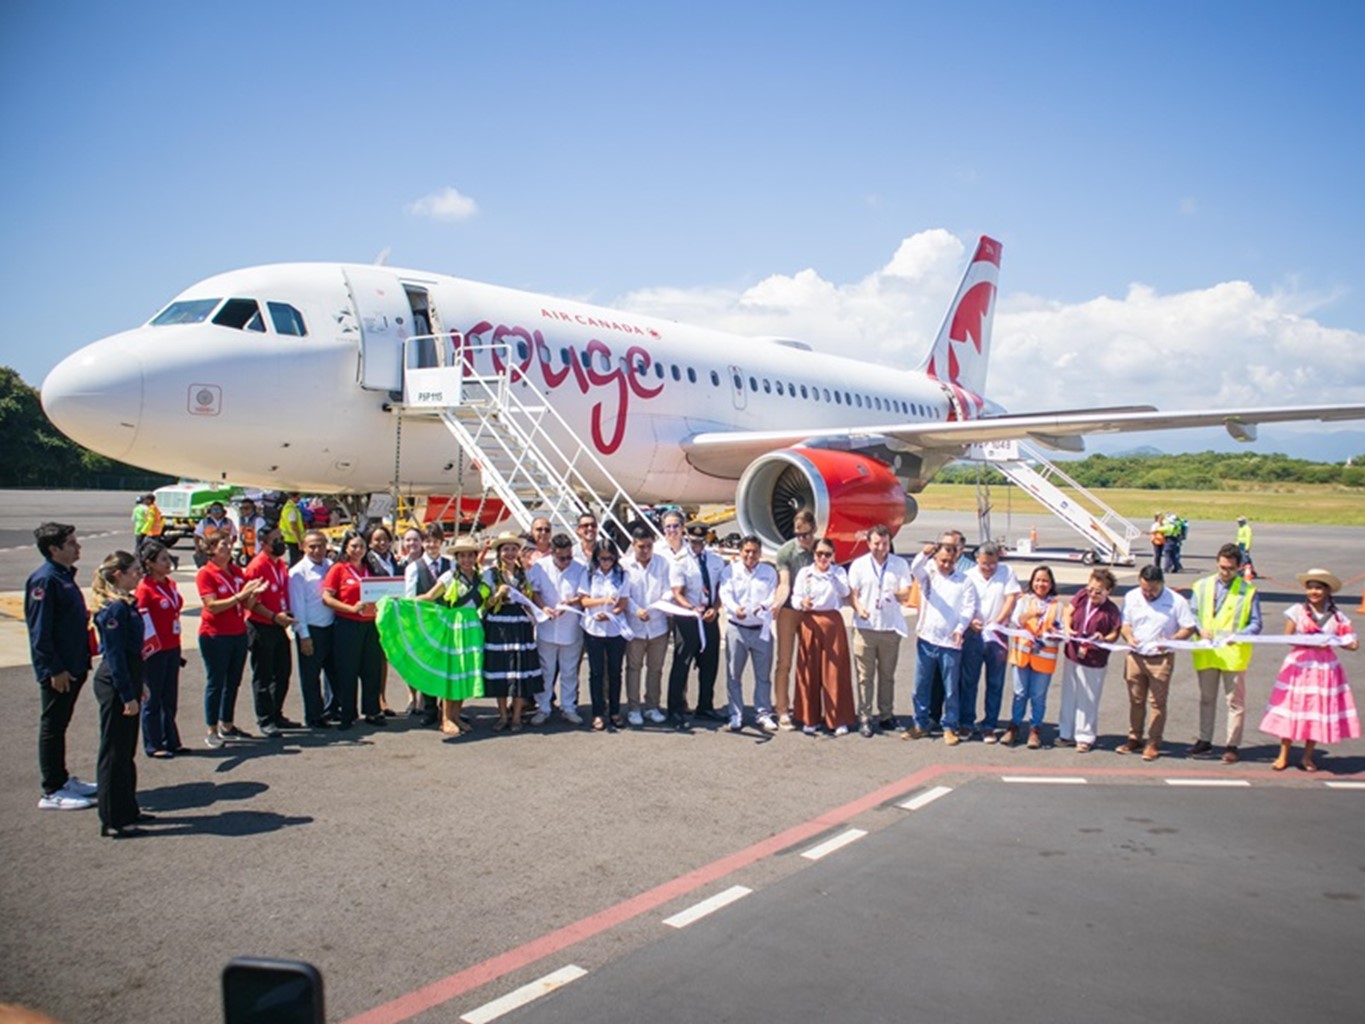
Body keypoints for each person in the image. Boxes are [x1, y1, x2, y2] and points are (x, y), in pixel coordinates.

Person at [25, 522, 97, 810]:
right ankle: (52, 789)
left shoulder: (63, 575)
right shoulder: (45, 580)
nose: (78, 547)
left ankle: (62, 778)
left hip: (74, 662)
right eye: (71, 543)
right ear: (54, 549)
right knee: (52, 726)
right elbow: (40, 632)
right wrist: (53, 669)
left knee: (61, 723)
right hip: (61, 669)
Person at [1261, 569, 1359, 772]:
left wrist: (1345, 642)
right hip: (1300, 664)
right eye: (1310, 587)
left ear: (1327, 590)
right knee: (1292, 707)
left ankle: (1307, 756)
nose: (1314, 591)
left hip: (1324, 668)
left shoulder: (1336, 616)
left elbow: (1351, 642)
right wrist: (1308, 641)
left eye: (1318, 587)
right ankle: (1283, 754)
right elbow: (1287, 637)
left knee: (1316, 710)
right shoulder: (1296, 610)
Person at [1187, 543, 1262, 764]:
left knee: (1235, 702)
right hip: (1207, 651)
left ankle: (1232, 744)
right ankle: (1204, 739)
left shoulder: (1248, 591)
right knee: (1206, 699)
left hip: (1232, 653)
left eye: (1230, 568)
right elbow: (1191, 613)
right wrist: (1200, 629)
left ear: (1239, 567)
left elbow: (1256, 624)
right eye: (1221, 567)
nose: (1225, 572)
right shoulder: (1201, 586)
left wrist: (1236, 635)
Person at [90, 551, 147, 838]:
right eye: (134, 570)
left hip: (129, 677)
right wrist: (127, 695)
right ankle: (113, 818)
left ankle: (128, 807)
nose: (139, 574)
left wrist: (141, 685)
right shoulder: (114, 609)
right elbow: (114, 656)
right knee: (113, 753)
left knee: (126, 751)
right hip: (115, 682)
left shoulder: (127, 604)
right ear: (118, 575)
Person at [407, 536, 488, 734]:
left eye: (470, 555)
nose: (467, 560)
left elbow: (488, 600)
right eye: (462, 556)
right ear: (457, 558)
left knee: (464, 673)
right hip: (454, 628)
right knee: (452, 673)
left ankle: (456, 715)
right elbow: (430, 596)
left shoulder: (481, 577)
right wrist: (403, 603)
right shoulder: (449, 576)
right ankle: (445, 718)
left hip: (472, 628)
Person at [1118, 564, 1196, 762]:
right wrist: (1128, 637)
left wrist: (1171, 639)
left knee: (1157, 702)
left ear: (1162, 584)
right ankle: (1134, 737)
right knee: (1135, 699)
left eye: (1152, 590)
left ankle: (1153, 742)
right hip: (1136, 655)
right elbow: (1125, 624)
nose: (1148, 594)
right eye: (1144, 589)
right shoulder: (1132, 597)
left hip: (1161, 658)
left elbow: (1188, 627)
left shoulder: (1176, 601)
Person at [905, 539, 978, 745]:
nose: (946, 565)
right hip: (927, 639)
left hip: (950, 643)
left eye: (950, 561)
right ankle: (920, 723)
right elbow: (915, 568)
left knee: (951, 688)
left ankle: (950, 726)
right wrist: (924, 553)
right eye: (942, 560)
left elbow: (967, 609)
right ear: (936, 559)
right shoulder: (929, 575)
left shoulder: (964, 581)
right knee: (920, 685)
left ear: (956, 560)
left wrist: (959, 629)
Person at [198, 533, 266, 747]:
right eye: (223, 545)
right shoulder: (206, 574)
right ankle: (211, 728)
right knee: (216, 682)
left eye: (229, 544)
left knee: (232, 682)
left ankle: (227, 724)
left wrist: (254, 594)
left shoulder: (236, 572)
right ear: (211, 549)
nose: (228, 548)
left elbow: (247, 603)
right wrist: (240, 595)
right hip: (215, 634)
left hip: (237, 632)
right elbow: (212, 605)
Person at [847, 525, 914, 737]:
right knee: (864, 676)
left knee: (887, 675)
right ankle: (865, 717)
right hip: (865, 627)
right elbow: (852, 594)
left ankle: (886, 715)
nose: (880, 548)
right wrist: (859, 609)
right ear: (869, 543)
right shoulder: (859, 565)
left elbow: (907, 591)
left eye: (884, 543)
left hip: (889, 627)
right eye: (876, 543)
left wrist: (896, 593)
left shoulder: (899, 564)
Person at [792, 538, 855, 735]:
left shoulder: (838, 572)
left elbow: (845, 592)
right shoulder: (805, 573)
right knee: (809, 670)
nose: (823, 558)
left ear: (833, 556)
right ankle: (809, 717)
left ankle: (837, 718)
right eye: (819, 554)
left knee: (835, 671)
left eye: (827, 555)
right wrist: (802, 603)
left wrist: (831, 575)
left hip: (832, 622)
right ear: (814, 554)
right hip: (810, 621)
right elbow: (794, 597)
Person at [482, 534, 545, 731]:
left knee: (519, 670)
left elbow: (530, 598)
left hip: (520, 623)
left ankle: (517, 716)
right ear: (499, 552)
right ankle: (502, 715)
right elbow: (485, 604)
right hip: (499, 624)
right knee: (500, 670)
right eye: (505, 549)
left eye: (513, 549)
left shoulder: (524, 574)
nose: (509, 553)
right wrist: (498, 595)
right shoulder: (490, 574)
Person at [323, 530, 385, 729]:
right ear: (346, 548)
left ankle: (373, 711)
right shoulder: (338, 569)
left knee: (371, 669)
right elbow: (327, 598)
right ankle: (347, 713)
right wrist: (350, 608)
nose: (358, 550)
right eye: (354, 546)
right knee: (347, 670)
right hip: (347, 624)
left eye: (362, 546)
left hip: (370, 625)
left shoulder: (371, 568)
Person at [1056, 568, 1122, 753]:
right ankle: (1065, 732)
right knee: (1070, 693)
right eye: (1090, 588)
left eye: (1098, 591)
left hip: (1094, 657)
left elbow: (1115, 633)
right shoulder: (1082, 596)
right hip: (1073, 652)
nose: (1092, 593)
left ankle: (1084, 736)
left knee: (1088, 697)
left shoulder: (1111, 610)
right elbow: (1068, 612)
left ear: (1108, 591)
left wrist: (1104, 638)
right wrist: (1068, 628)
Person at [719, 534, 780, 731]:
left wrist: (764, 605)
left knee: (763, 675)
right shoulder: (730, 571)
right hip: (737, 628)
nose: (750, 555)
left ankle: (763, 712)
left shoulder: (768, 571)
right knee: (733, 674)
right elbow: (725, 593)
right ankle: (735, 714)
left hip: (761, 629)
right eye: (747, 551)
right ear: (740, 552)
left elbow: (773, 594)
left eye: (754, 552)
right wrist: (735, 608)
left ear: (760, 553)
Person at [962, 542, 1021, 743]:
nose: (989, 567)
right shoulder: (969, 575)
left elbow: (1011, 598)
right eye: (985, 563)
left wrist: (998, 621)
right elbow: (963, 603)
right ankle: (967, 722)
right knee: (969, 680)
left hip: (998, 635)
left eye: (993, 563)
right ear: (977, 559)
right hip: (974, 634)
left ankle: (989, 725)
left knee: (995, 682)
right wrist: (970, 621)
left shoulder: (1006, 572)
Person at [666, 522, 724, 725]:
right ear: (687, 537)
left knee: (710, 663)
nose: (697, 545)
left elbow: (720, 590)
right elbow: (677, 593)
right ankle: (675, 708)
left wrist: (715, 609)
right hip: (687, 618)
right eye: (693, 541)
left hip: (709, 617)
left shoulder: (716, 560)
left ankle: (705, 706)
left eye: (701, 541)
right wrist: (692, 608)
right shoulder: (680, 561)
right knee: (682, 662)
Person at [244, 526, 298, 736]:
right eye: (275, 540)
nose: (281, 543)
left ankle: (277, 713)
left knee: (282, 672)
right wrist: (275, 617)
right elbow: (251, 603)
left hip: (278, 625)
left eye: (281, 538)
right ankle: (265, 719)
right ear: (263, 544)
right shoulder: (257, 567)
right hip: (261, 626)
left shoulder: (280, 565)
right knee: (263, 675)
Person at [528, 533, 586, 726]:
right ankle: (543, 707)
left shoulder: (579, 567)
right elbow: (534, 591)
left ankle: (568, 707)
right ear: (552, 553)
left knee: (569, 671)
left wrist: (571, 601)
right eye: (562, 558)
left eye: (569, 556)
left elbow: (584, 593)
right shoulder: (540, 566)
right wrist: (543, 607)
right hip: (547, 626)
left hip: (570, 626)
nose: (566, 561)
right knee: (546, 670)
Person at [1002, 566, 1063, 749]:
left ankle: (1035, 728)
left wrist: (1055, 633)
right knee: (1019, 693)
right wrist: (1030, 614)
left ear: (1051, 583)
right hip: (1022, 655)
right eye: (1037, 580)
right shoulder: (1024, 600)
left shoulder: (1057, 606)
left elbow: (1062, 630)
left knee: (1038, 695)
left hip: (1043, 657)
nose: (1041, 584)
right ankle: (1014, 725)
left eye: (1045, 581)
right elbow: (1014, 621)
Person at [135, 540, 185, 758]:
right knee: (153, 698)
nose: (168, 563)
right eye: (163, 559)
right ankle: (153, 743)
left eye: (168, 558)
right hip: (155, 650)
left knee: (169, 697)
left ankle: (171, 739)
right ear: (150, 563)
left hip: (173, 645)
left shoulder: (169, 584)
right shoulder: (145, 589)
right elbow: (141, 622)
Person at [771, 509, 818, 730]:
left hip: (812, 611)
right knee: (784, 660)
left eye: (807, 535)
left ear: (814, 530)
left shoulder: (819, 549)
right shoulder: (786, 552)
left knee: (809, 661)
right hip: (790, 609)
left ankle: (807, 708)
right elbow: (784, 583)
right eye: (799, 535)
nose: (803, 540)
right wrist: (778, 602)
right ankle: (782, 708)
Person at [403, 523, 452, 723]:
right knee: (429, 665)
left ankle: (448, 708)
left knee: (448, 665)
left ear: (442, 542)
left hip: (447, 623)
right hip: (426, 623)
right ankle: (430, 708)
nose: (432, 545)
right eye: (428, 541)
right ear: (423, 543)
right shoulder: (414, 567)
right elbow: (409, 597)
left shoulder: (452, 565)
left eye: (436, 541)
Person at [623, 526, 673, 726]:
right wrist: (636, 610)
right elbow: (623, 594)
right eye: (641, 547)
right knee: (633, 668)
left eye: (649, 546)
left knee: (656, 668)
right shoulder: (624, 565)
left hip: (657, 624)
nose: (645, 551)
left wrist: (654, 608)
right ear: (633, 545)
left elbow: (669, 591)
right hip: (634, 626)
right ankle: (634, 707)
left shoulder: (662, 563)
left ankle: (652, 705)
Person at [288, 530, 337, 728]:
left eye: (321, 545)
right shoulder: (297, 572)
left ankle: (332, 710)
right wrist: (304, 635)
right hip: (312, 630)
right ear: (303, 547)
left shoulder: (331, 566)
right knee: (311, 676)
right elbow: (297, 606)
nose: (317, 550)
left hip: (331, 627)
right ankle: (313, 716)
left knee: (334, 673)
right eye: (312, 547)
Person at [580, 540, 630, 730]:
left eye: (610, 558)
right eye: (602, 559)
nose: (606, 562)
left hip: (615, 629)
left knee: (615, 672)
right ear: (596, 558)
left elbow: (623, 601)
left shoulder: (622, 574)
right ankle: (597, 713)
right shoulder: (589, 573)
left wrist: (613, 613)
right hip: (594, 628)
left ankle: (615, 711)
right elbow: (584, 600)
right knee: (596, 672)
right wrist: (602, 602)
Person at [365, 524, 402, 717]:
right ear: (369, 542)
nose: (381, 543)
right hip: (371, 615)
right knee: (373, 660)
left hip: (390, 615)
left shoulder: (393, 561)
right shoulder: (366, 560)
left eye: (385, 539)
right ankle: (374, 700)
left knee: (383, 659)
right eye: (377, 540)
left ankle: (382, 697)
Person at [194, 501, 237, 568]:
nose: (216, 512)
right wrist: (197, 548)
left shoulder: (229, 522)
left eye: (218, 510)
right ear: (210, 511)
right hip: (208, 550)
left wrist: (230, 545)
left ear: (223, 511)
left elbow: (234, 535)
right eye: (214, 510)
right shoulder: (204, 522)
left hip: (223, 549)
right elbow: (197, 535)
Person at [236, 498, 268, 564]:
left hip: (256, 552)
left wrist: (256, 553)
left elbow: (259, 538)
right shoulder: (242, 519)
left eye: (247, 508)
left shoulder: (258, 519)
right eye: (242, 508)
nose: (244, 510)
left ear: (253, 508)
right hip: (247, 551)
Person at [279, 492, 306, 565]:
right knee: (294, 562)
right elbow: (293, 526)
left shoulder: (288, 507)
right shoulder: (291, 510)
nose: (299, 499)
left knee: (293, 561)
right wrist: (299, 541)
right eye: (298, 497)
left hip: (289, 538)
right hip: (293, 540)